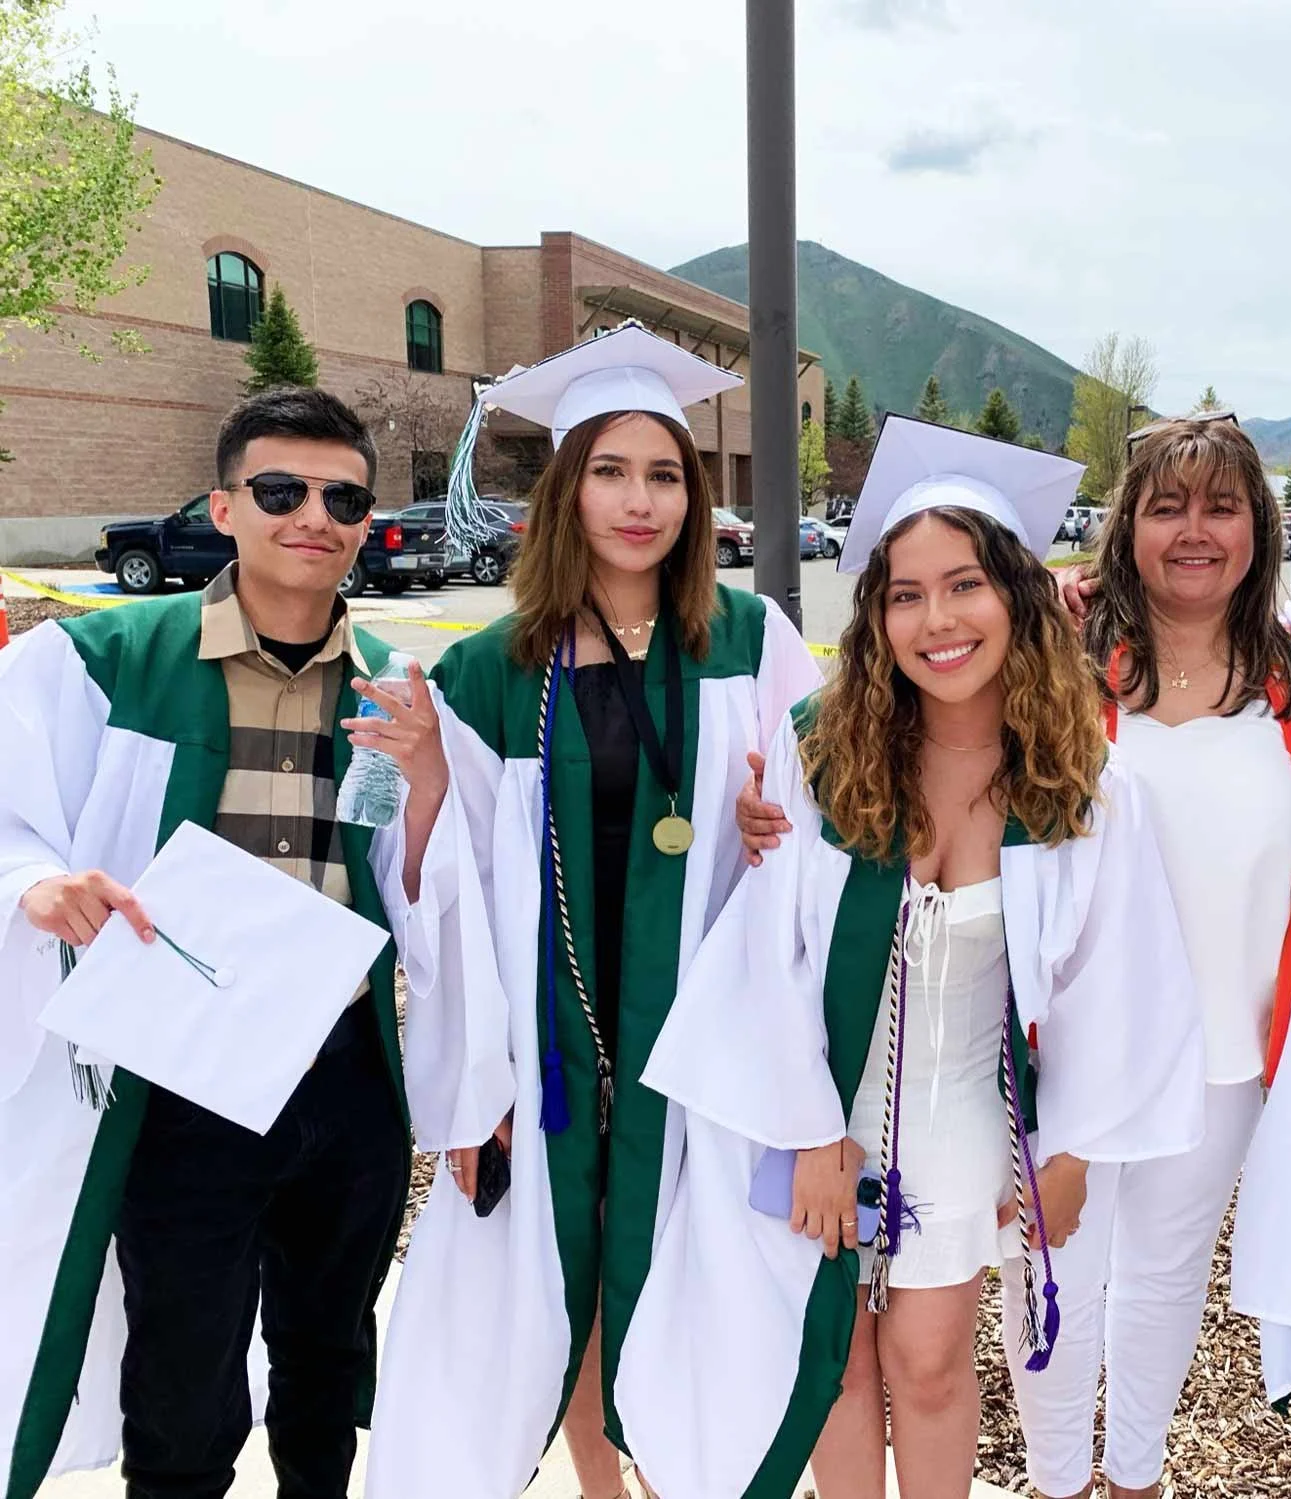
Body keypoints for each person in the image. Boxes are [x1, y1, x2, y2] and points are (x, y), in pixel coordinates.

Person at [615, 417, 1206, 1499]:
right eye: (902, 592)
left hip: (960, 1115)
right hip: (816, 1108)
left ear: (1016, 600)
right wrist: (805, 1134)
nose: (934, 619)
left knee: (928, 1363)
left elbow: (1118, 983)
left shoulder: (1081, 786)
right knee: (834, 1361)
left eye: (964, 583)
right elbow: (768, 954)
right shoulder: (817, 751)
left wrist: (1067, 1150)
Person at [362, 322, 822, 1499]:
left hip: (699, 1035)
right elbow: (431, 891)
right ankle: (602, 1486)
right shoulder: (486, 670)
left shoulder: (752, 643)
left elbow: (828, 811)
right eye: (610, 471)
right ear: (564, 491)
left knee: (683, 1278)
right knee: (560, 1283)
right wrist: (421, 786)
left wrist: (781, 831)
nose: (639, 500)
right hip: (550, 1041)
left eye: (664, 473)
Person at [0, 388, 447, 1498]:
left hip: (341, 1072)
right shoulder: (107, 659)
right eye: (281, 490)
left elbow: (413, 876)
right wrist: (39, 884)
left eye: (343, 496)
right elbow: (10, 812)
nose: (315, 516)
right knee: (185, 1362)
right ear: (222, 505)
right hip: (182, 1075)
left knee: (330, 1347)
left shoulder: (393, 688)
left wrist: (431, 778)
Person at [996, 415, 1291, 1499]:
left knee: (1162, 1283)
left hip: (1225, 1047)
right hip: (1072, 1051)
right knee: (1051, 1281)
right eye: (1166, 506)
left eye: (1220, 505)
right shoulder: (1060, 664)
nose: (1193, 530)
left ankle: (1136, 1479)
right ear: (1127, 528)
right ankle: (1059, 1480)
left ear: (1257, 524)